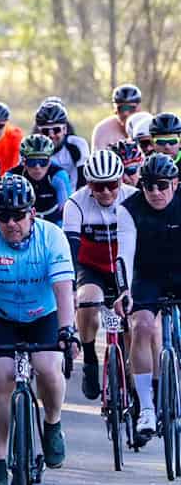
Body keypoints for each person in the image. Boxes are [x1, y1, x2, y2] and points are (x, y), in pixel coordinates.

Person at [0, 176, 78, 485]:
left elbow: (63, 289)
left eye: (18, 215)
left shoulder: (52, 237)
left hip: (43, 315)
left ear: (32, 213)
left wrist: (67, 330)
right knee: (0, 378)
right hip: (0, 316)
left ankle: (52, 423)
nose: (11, 223)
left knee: (47, 367)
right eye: (3, 216)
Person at [63, 148, 137, 401]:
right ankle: (91, 359)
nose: (106, 192)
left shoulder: (134, 198)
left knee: (132, 321)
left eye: (111, 185)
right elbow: (71, 249)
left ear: (121, 181)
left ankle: (132, 378)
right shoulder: (75, 203)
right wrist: (70, 286)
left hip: (126, 266)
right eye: (98, 186)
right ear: (88, 184)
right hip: (91, 266)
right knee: (87, 299)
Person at [117, 154, 181, 439]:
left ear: (176, 183)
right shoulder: (129, 208)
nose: (155, 192)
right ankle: (146, 407)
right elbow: (124, 255)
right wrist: (124, 291)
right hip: (147, 276)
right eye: (148, 186)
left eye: (162, 185)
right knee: (141, 326)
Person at [8, 132, 72, 225]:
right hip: (23, 221)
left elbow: (67, 212)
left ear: (50, 161)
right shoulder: (12, 176)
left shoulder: (59, 175)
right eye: (32, 162)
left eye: (43, 161)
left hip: (53, 221)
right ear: (23, 162)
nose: (37, 167)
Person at [35, 100, 90, 188]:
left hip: (74, 197)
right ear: (39, 132)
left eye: (56, 130)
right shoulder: (30, 148)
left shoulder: (78, 144)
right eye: (45, 131)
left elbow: (84, 180)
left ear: (65, 129)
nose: (51, 135)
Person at [93, 84, 143, 152]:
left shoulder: (148, 126)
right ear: (115, 110)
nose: (126, 113)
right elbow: (97, 158)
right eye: (122, 108)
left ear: (139, 109)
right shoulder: (102, 130)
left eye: (131, 108)